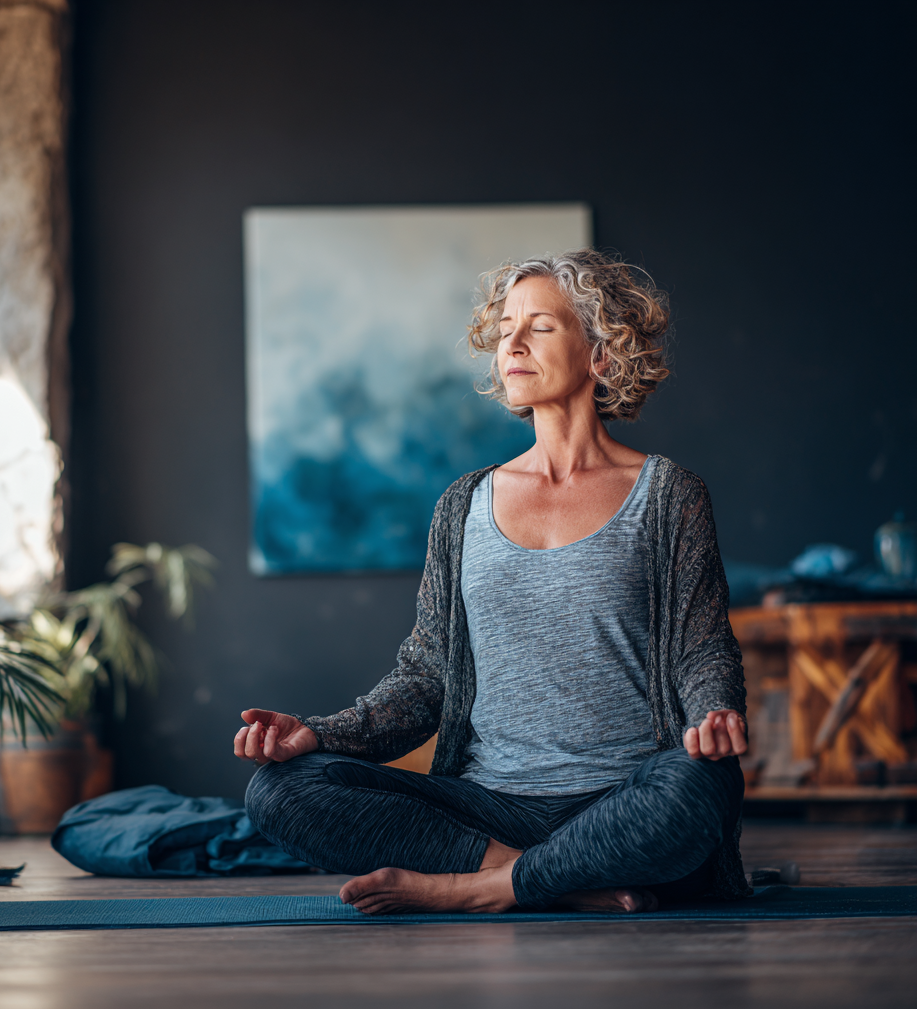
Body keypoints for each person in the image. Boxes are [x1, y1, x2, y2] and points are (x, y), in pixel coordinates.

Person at [235, 248, 749, 915]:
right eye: (505, 326)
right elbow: (426, 679)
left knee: (703, 782)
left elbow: (702, 648)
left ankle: (481, 889)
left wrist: (714, 711)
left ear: (602, 355)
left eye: (539, 326)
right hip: (489, 810)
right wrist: (322, 734)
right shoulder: (464, 505)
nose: (511, 341)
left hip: (623, 801)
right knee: (277, 790)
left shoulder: (667, 493)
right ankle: (541, 880)